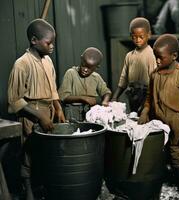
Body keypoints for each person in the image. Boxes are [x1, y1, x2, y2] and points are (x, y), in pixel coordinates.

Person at [7, 18, 65, 200]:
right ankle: (29, 192)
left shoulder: (48, 61)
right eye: (49, 43)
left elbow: (53, 88)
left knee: (45, 153)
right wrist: (39, 116)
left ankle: (42, 189)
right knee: (29, 154)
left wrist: (58, 107)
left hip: (48, 112)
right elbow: (14, 100)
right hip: (31, 115)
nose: (52, 46)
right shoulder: (21, 64)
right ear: (34, 40)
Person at [138, 34, 179, 200]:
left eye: (161, 58)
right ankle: (154, 191)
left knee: (178, 155)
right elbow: (149, 98)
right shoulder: (154, 75)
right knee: (156, 156)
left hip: (177, 123)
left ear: (174, 56)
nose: (157, 61)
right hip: (157, 122)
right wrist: (144, 112)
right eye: (155, 57)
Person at [111, 17, 157, 114]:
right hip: (132, 94)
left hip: (146, 94)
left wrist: (147, 104)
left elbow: (154, 82)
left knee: (144, 118)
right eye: (134, 37)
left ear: (149, 35)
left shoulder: (151, 55)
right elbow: (123, 79)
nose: (137, 40)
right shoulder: (129, 56)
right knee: (133, 117)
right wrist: (115, 97)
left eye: (141, 36)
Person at [58, 47, 112, 121]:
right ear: (81, 59)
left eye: (90, 68)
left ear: (97, 67)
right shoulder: (71, 73)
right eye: (84, 65)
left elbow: (106, 92)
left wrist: (105, 101)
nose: (85, 70)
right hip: (73, 115)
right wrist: (84, 98)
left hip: (90, 115)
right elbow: (63, 97)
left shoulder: (96, 77)